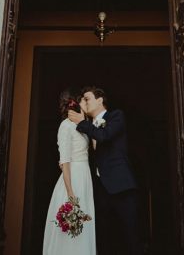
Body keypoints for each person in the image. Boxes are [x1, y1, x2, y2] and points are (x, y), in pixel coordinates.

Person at [68, 86, 139, 255]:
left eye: (87, 99)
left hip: (122, 187)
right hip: (100, 190)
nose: (83, 102)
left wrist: (82, 122)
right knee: (103, 237)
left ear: (100, 100)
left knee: (131, 236)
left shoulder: (116, 116)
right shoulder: (85, 127)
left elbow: (104, 135)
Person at [42, 90, 96, 254]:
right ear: (76, 103)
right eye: (84, 101)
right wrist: (70, 192)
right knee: (72, 225)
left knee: (84, 224)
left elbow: (95, 145)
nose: (87, 103)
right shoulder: (65, 125)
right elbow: (65, 161)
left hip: (84, 176)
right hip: (73, 178)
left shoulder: (82, 125)